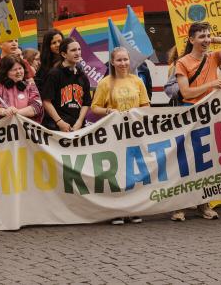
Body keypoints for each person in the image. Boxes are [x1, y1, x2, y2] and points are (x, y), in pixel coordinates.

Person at [170, 22, 221, 222]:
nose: (206, 40)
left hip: (208, 115)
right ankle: (179, 206)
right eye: (201, 37)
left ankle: (203, 204)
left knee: (205, 161)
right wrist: (212, 83)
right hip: (189, 115)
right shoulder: (182, 62)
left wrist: (213, 38)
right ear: (191, 40)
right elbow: (186, 92)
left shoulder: (213, 57)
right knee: (185, 161)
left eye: (208, 36)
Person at [91, 47, 149, 225]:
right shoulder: (105, 83)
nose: (123, 63)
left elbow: (146, 105)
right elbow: (95, 107)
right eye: (119, 60)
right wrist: (109, 110)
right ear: (112, 62)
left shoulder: (137, 81)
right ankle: (116, 211)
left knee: (132, 170)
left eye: (125, 60)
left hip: (133, 133)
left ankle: (132, 210)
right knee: (115, 172)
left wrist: (136, 113)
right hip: (113, 134)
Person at [41, 38, 91, 132]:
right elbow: (46, 101)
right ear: (64, 54)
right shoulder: (54, 74)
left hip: (78, 128)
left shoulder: (82, 76)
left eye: (79, 49)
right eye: (73, 50)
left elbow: (86, 103)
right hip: (57, 128)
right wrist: (59, 122)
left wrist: (79, 122)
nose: (77, 53)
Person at [0, 55, 43, 127]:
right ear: (5, 71)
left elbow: (37, 105)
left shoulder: (30, 85)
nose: (19, 72)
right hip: (2, 130)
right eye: (14, 70)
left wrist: (17, 112)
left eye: (20, 68)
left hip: (24, 130)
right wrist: (4, 111)